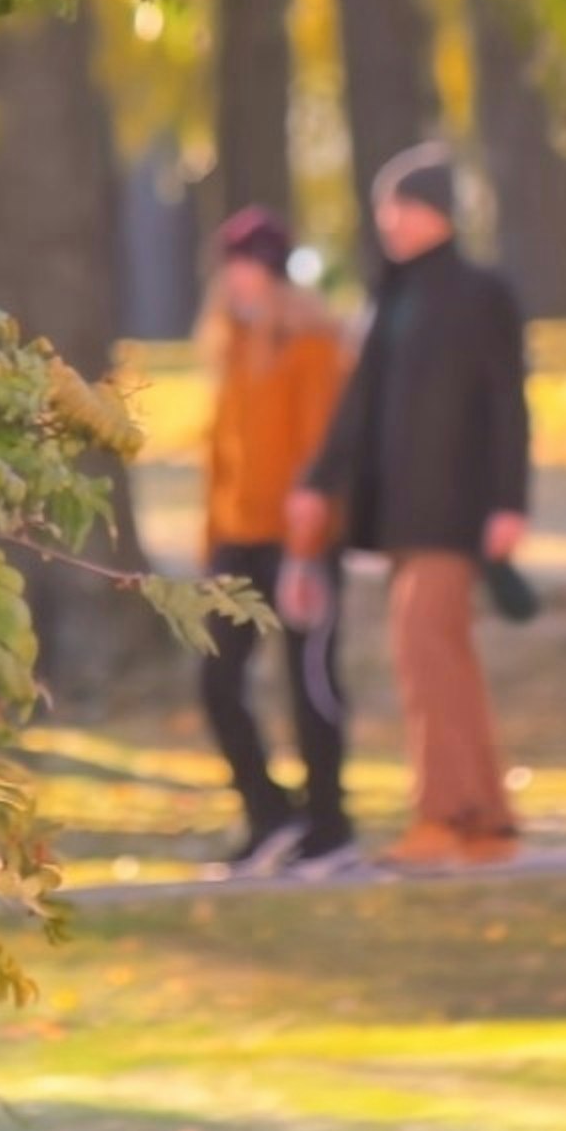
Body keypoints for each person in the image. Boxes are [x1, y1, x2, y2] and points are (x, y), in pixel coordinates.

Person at [287, 142, 531, 871]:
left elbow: (507, 404)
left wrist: (509, 501)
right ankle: (487, 820)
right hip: (400, 516)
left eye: (398, 205)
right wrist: (317, 481)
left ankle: (442, 814)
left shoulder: (481, 293)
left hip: (455, 513)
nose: (386, 220)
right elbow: (356, 409)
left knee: (426, 658)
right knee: (443, 660)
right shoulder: (389, 295)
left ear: (433, 211)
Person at [192, 207, 356, 872]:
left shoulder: (312, 347)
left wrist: (305, 550)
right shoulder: (229, 346)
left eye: (250, 267)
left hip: (298, 541)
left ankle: (329, 823)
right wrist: (211, 543)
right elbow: (221, 458)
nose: (239, 280)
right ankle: (269, 814)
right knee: (216, 681)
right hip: (237, 541)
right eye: (232, 267)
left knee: (308, 680)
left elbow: (319, 454)